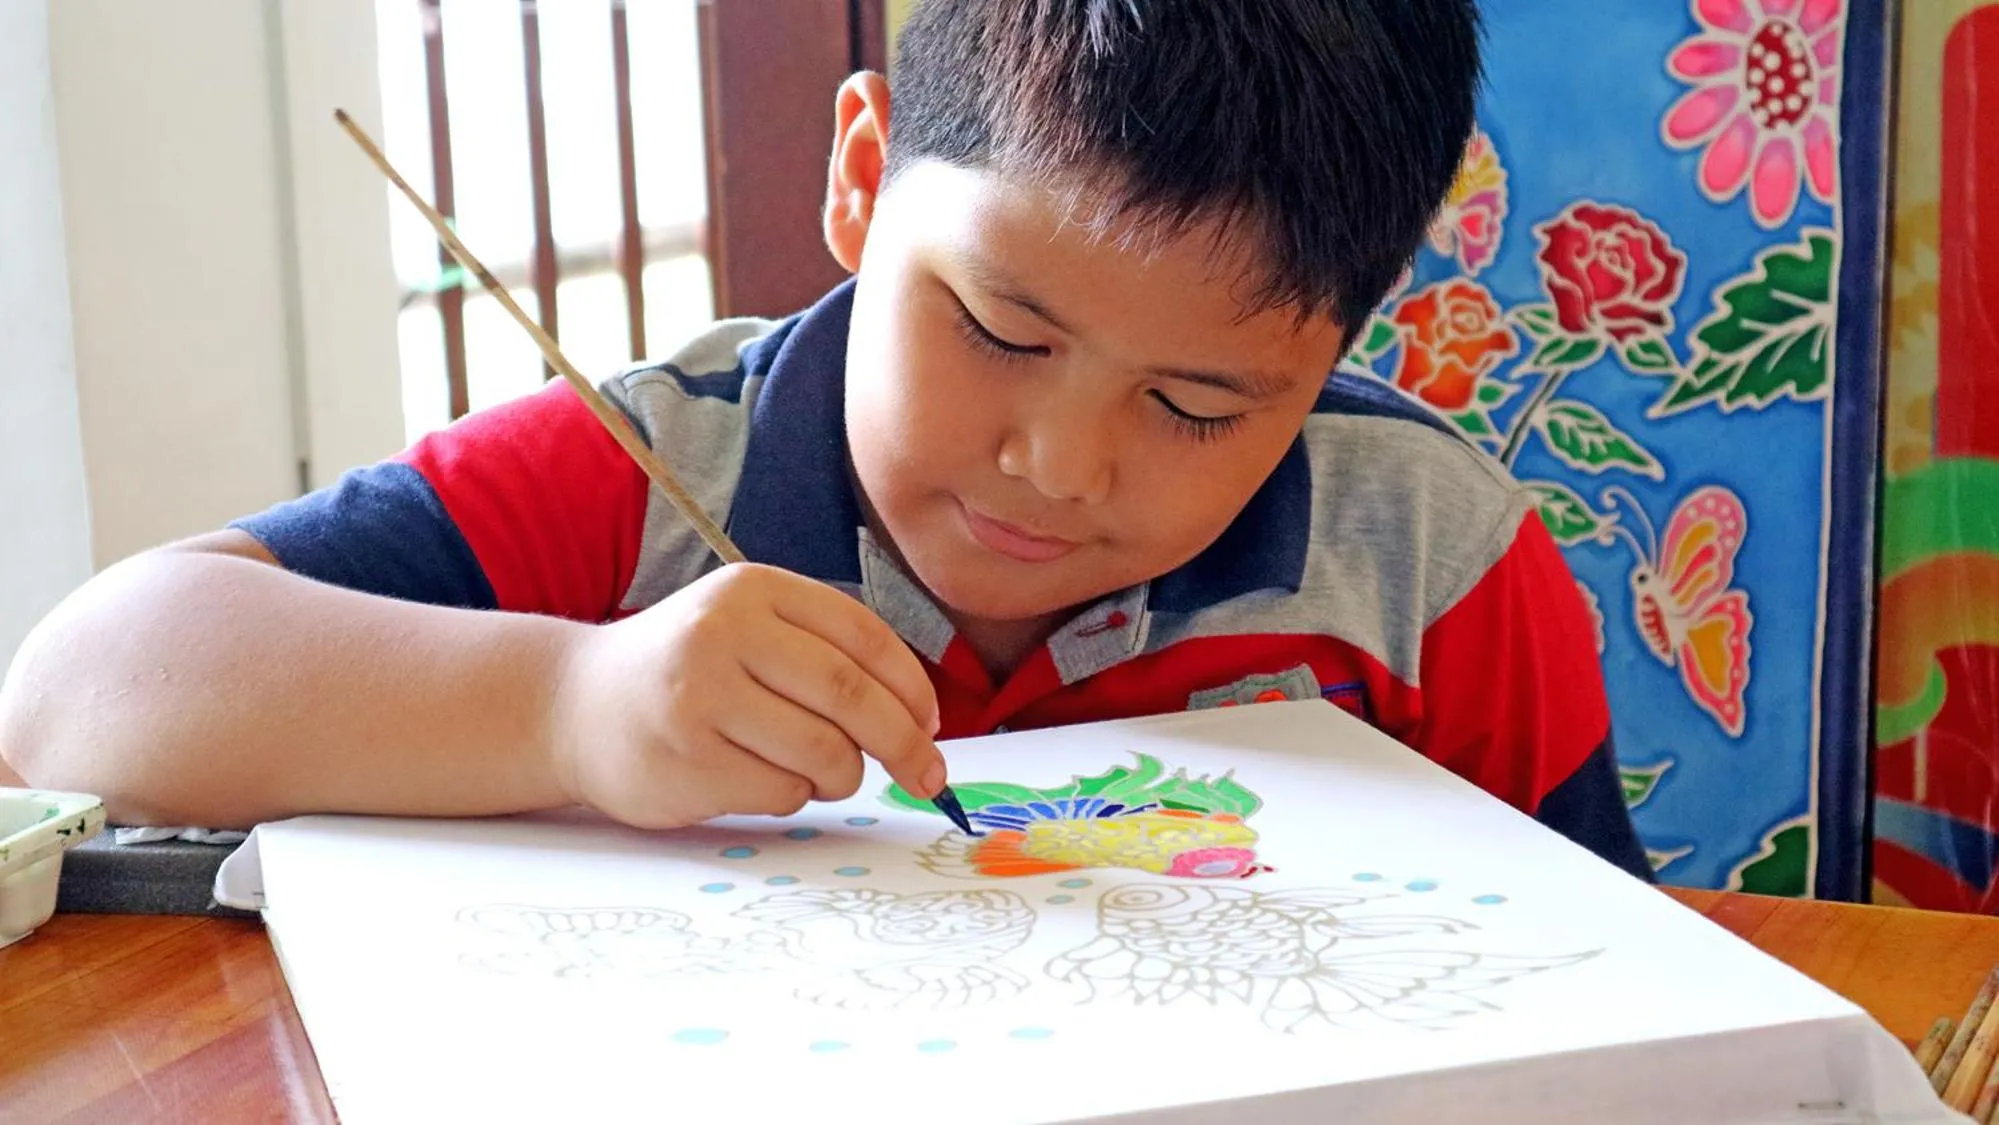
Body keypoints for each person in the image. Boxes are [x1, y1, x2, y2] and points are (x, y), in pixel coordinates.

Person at [0, 0, 1651, 880]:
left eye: (1197, 406)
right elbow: (77, 691)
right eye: (1000, 330)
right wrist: (568, 706)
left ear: (1336, 348)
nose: (1061, 466)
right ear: (862, 182)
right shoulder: (649, 479)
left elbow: (1622, 970)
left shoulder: (1429, 558)